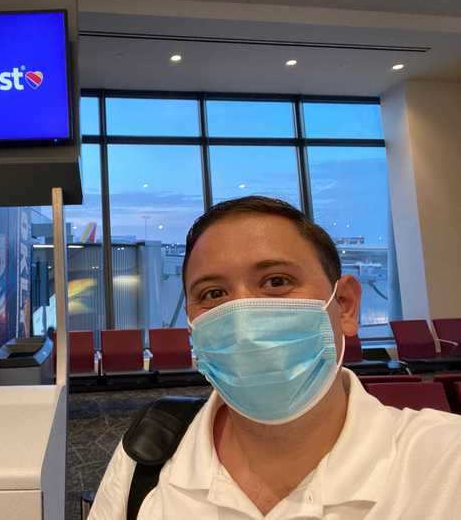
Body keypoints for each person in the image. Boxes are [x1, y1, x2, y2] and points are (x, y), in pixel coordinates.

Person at [89, 196, 461, 520]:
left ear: (345, 306)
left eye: (276, 282)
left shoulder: (444, 463)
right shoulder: (145, 461)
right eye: (214, 293)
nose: (243, 320)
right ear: (191, 324)